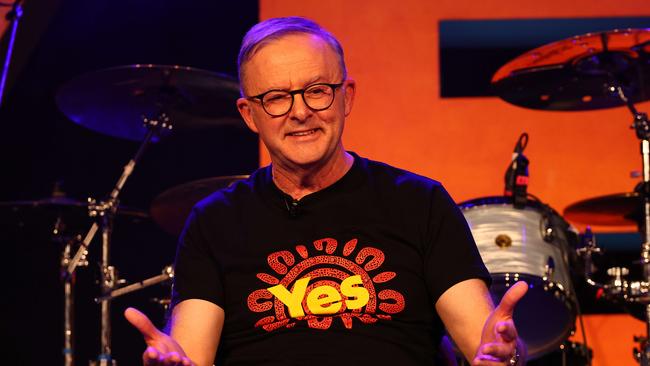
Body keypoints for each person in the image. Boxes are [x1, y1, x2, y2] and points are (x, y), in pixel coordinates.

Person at [125, 16, 528, 366]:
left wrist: (504, 354)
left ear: (346, 96)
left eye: (316, 90)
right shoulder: (216, 221)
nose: (300, 112)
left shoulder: (419, 203)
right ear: (250, 115)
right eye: (277, 98)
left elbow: (487, 344)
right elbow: (192, 354)